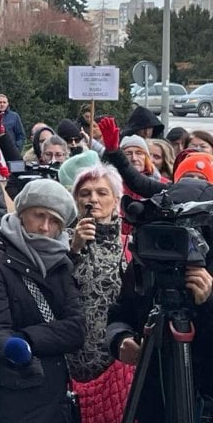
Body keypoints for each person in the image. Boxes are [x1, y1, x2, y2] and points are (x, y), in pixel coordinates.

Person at [0, 179, 85, 423]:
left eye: (54, 221)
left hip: (52, 392)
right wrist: (20, 347)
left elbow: (76, 329)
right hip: (6, 392)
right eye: (39, 215)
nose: (44, 227)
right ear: (21, 214)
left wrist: (26, 339)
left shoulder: (61, 261)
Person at [105, 179, 213, 423]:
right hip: (155, 397)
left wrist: (209, 301)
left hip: (205, 398)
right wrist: (119, 339)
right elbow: (119, 315)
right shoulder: (149, 258)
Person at [65, 164, 134, 423]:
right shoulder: (61, 240)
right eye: (85, 193)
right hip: (72, 362)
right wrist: (75, 249)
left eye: (102, 192)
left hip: (119, 361)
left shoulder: (130, 244)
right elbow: (54, 290)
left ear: (116, 199)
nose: (93, 199)